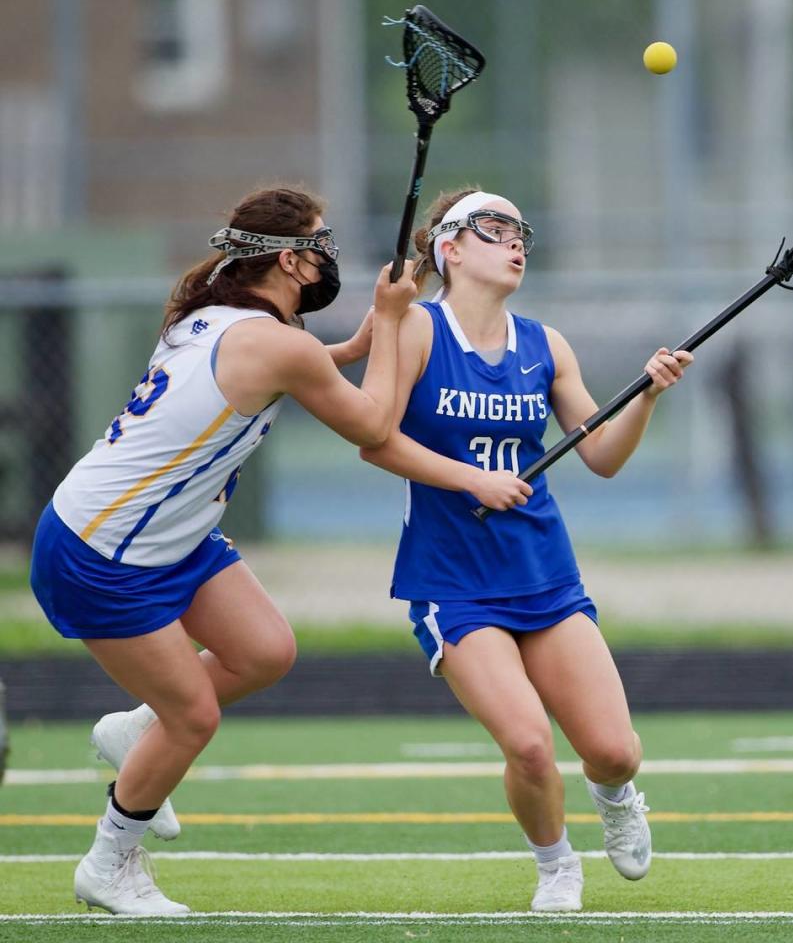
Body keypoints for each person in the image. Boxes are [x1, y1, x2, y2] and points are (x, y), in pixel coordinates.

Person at [29, 186, 417, 915]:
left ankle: (134, 728)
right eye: (320, 243)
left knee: (265, 651)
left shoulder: (214, 315)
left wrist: (351, 347)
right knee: (196, 717)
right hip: (102, 552)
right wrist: (392, 324)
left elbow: (276, 366)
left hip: (165, 534)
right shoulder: (275, 342)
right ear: (291, 260)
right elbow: (373, 424)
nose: (328, 256)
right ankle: (109, 865)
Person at [360, 187, 693, 912]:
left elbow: (601, 454)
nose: (515, 243)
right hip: (453, 581)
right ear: (448, 248)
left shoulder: (546, 345)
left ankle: (616, 794)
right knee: (530, 745)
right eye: (494, 230)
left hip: (543, 572)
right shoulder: (415, 329)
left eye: (521, 233)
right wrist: (472, 479)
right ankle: (556, 866)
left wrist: (647, 395)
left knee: (614, 750)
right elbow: (374, 439)